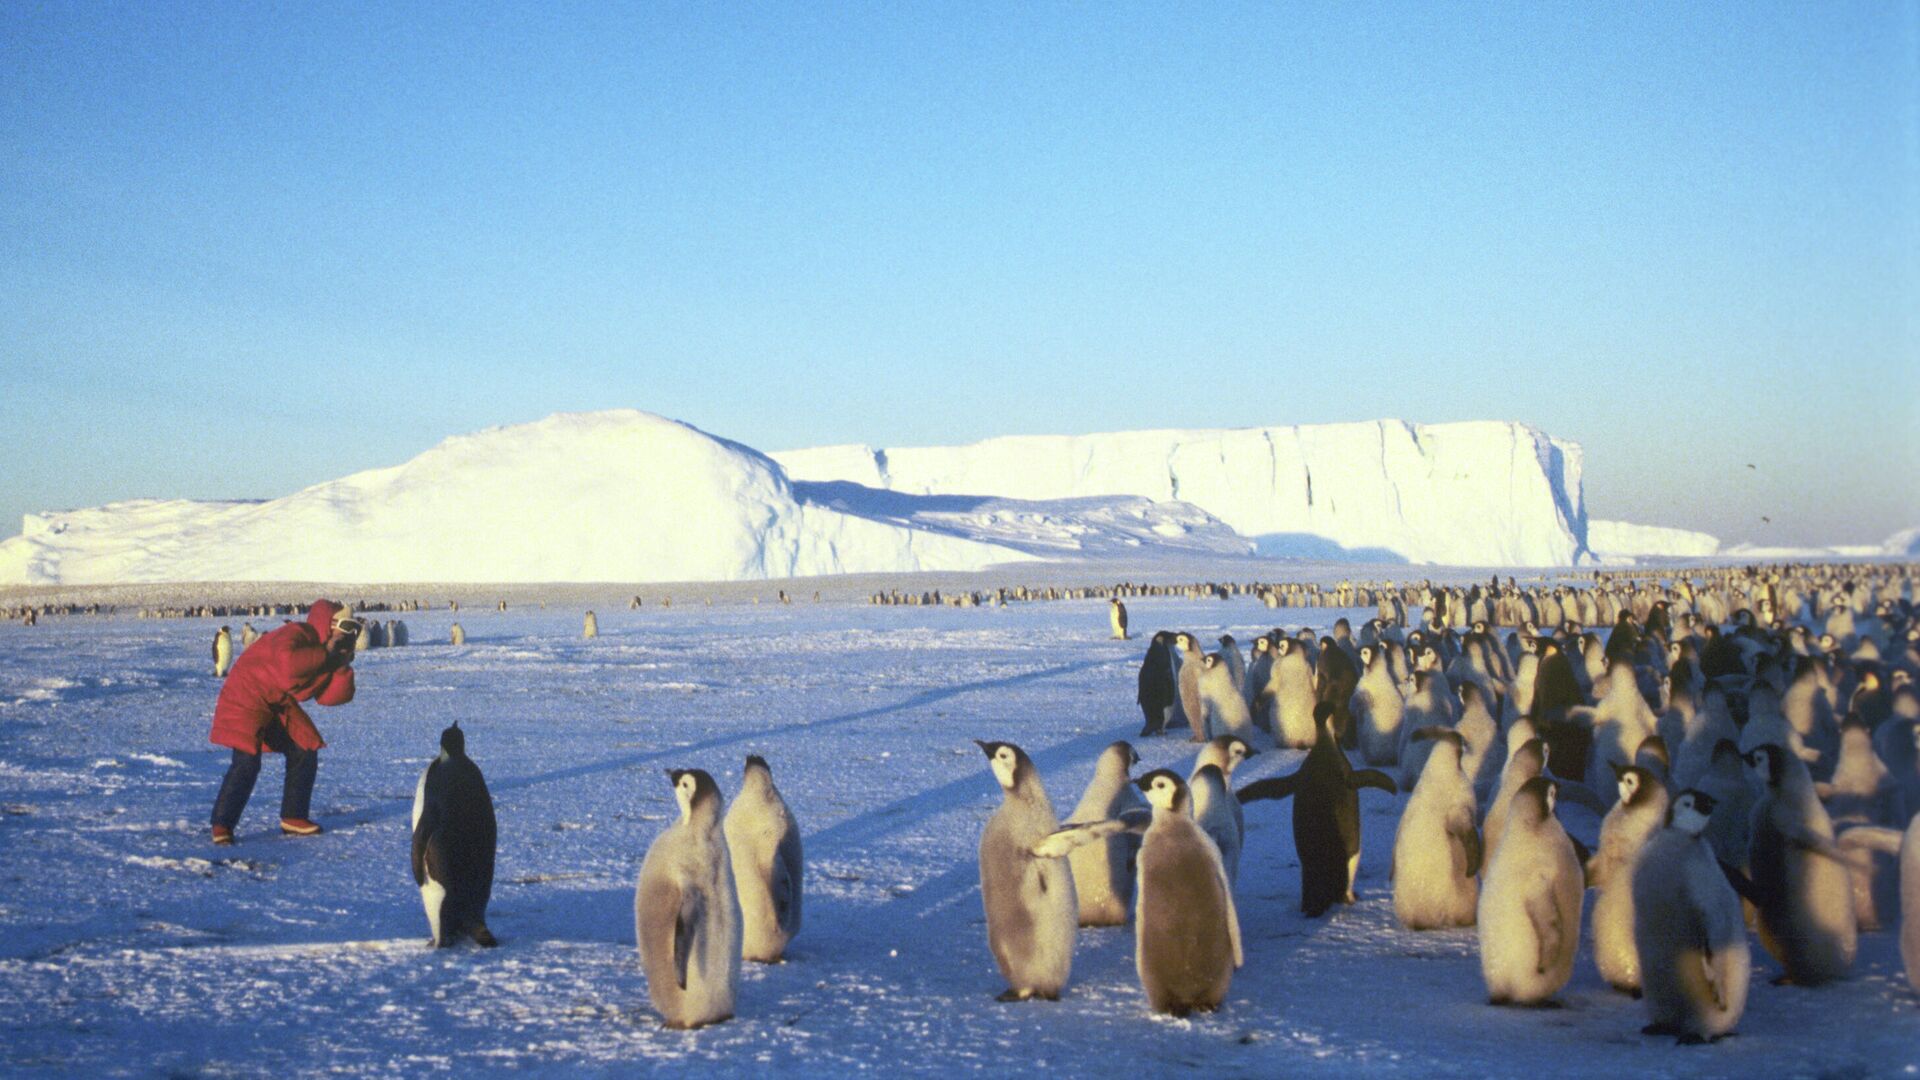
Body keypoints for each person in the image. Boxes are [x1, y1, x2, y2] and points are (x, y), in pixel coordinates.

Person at [208, 599, 359, 844]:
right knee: (246, 762)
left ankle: (293, 816)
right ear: (328, 624)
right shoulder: (297, 633)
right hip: (246, 694)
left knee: (305, 747)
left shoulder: (323, 650)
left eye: (356, 628)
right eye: (347, 625)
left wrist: (340, 664)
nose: (351, 632)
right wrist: (325, 653)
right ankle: (222, 824)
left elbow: (328, 698)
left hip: (276, 703)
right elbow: (287, 669)